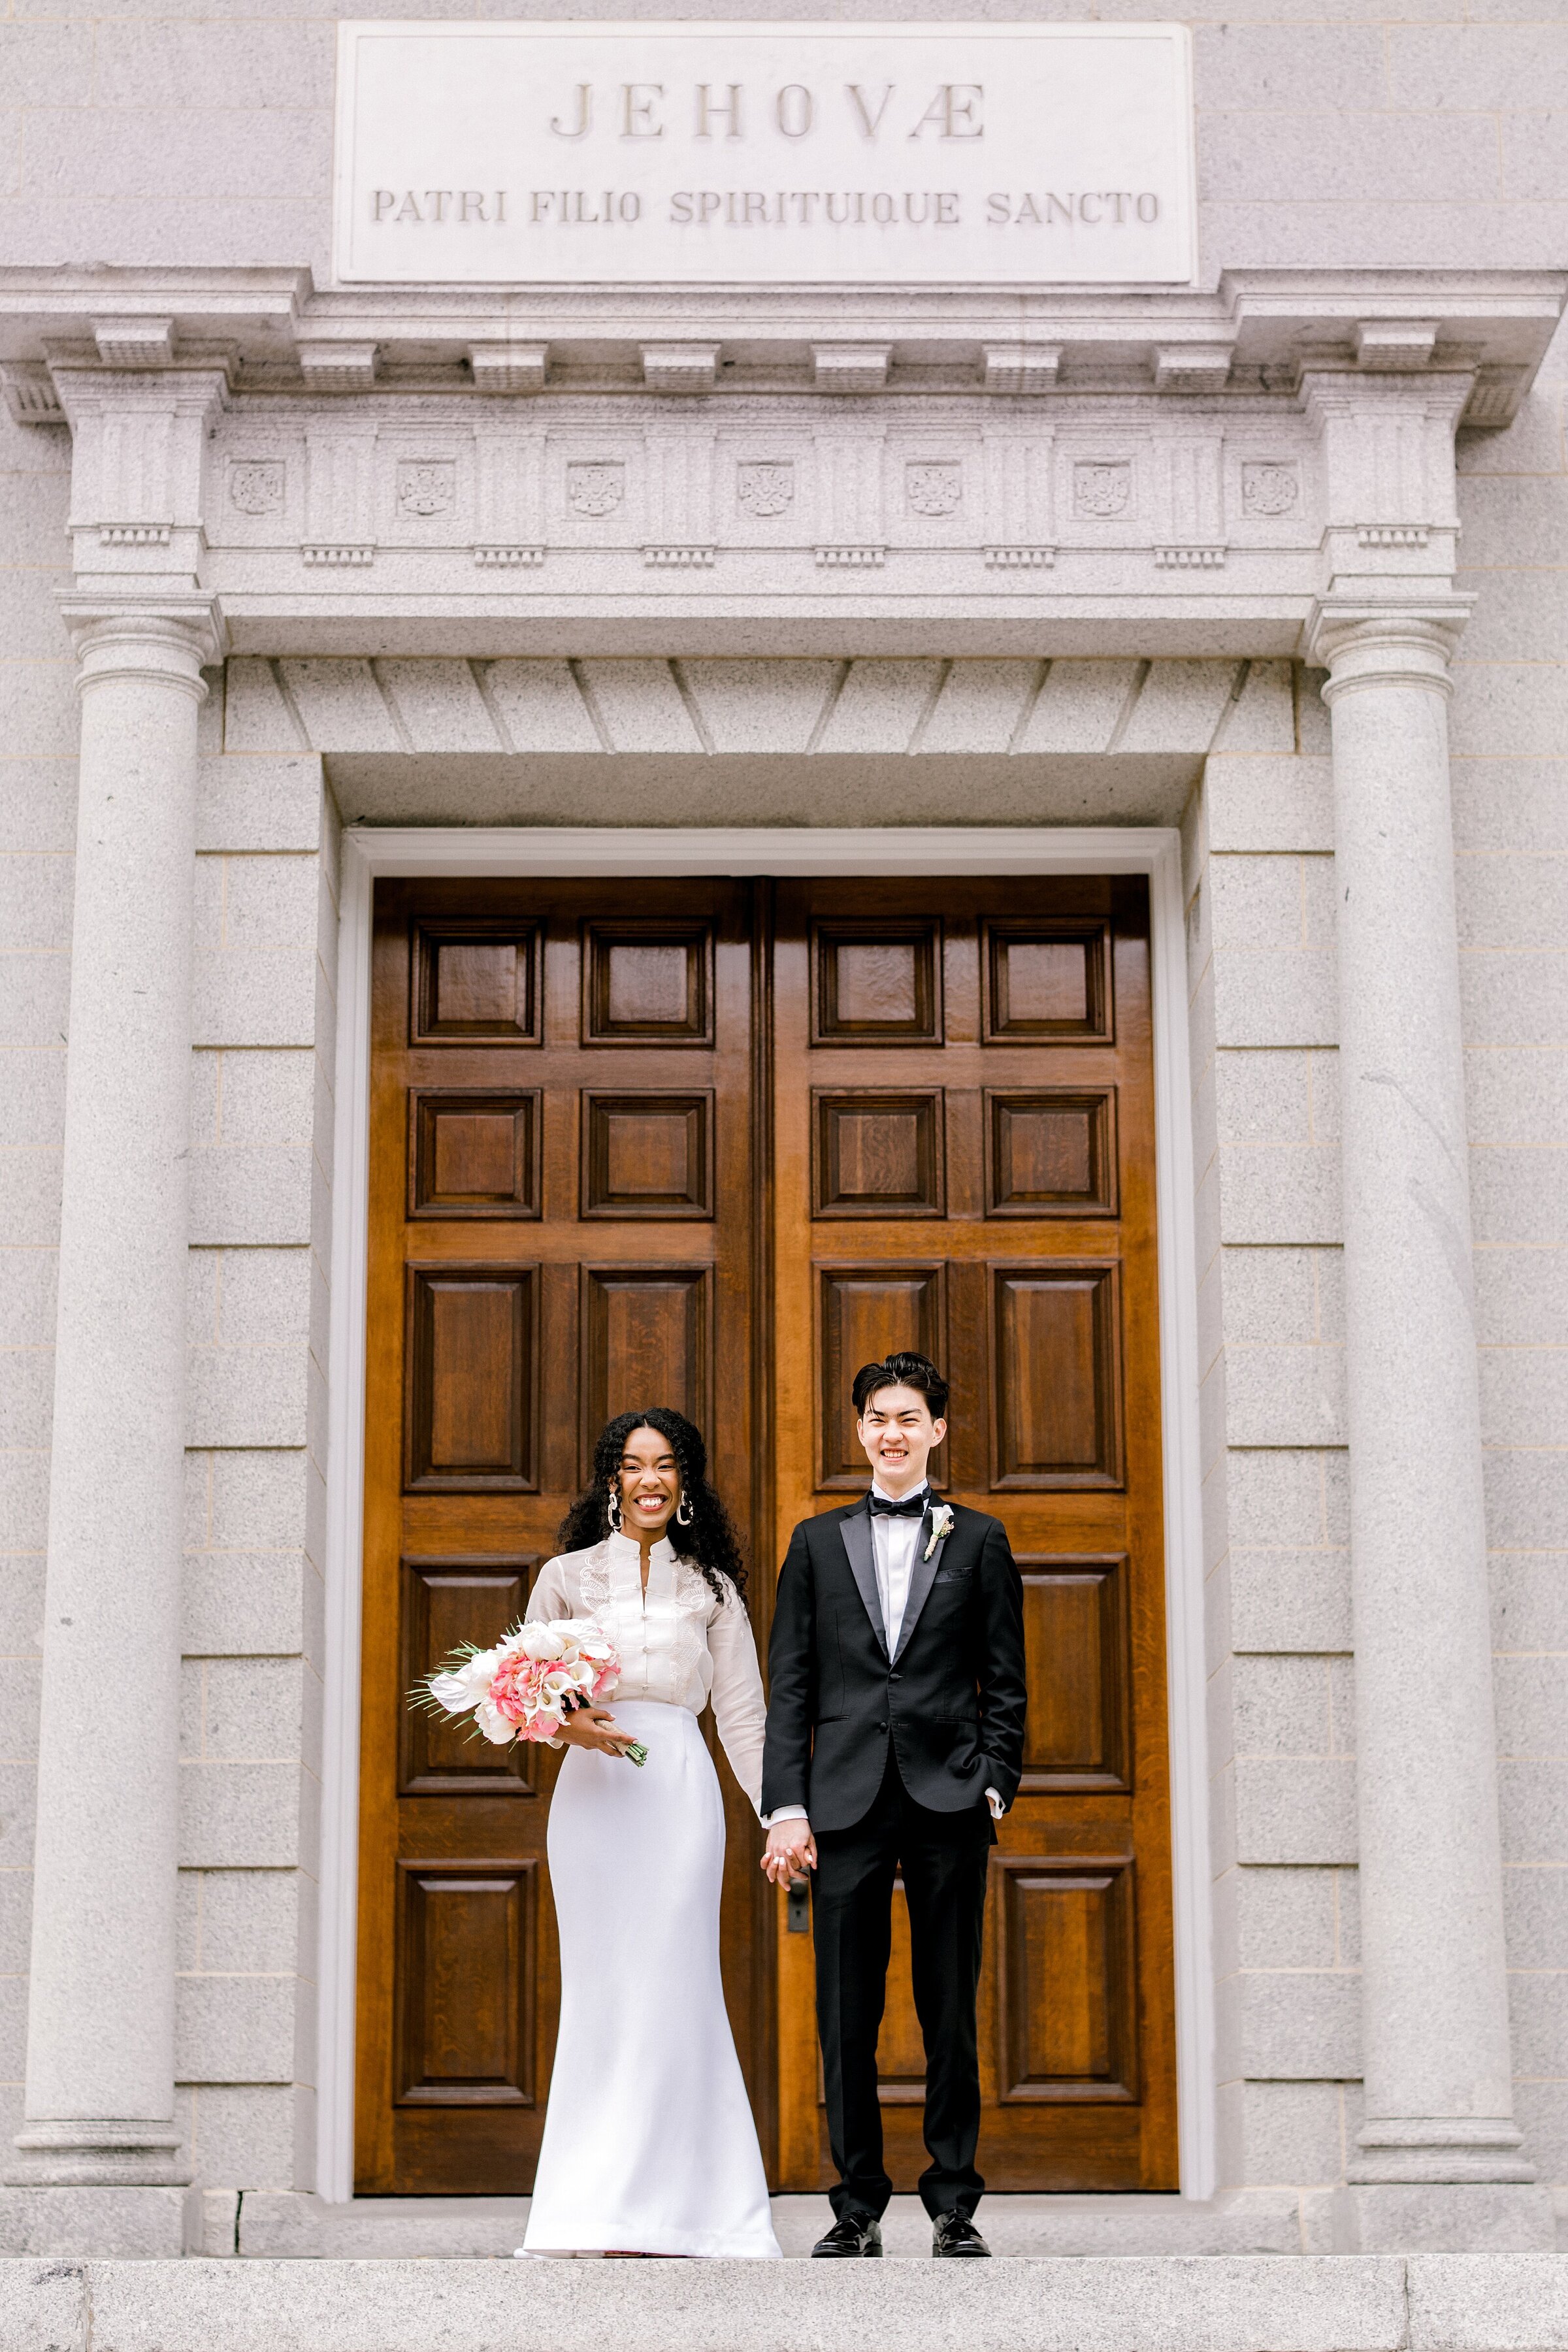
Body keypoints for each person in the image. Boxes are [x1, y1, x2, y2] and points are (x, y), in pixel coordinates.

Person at [760, 1353, 1026, 2259]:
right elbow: (790, 1686)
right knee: (847, 2012)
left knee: (948, 2004)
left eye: (910, 1418)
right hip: (841, 1800)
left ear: (937, 1431)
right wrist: (785, 1806)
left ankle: (954, 2202)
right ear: (859, 1429)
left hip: (949, 1795)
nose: (893, 1433)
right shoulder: (815, 1542)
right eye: (878, 1417)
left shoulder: (980, 1539)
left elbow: (1008, 1678)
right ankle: (857, 2205)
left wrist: (996, 1777)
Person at [517, 1407, 781, 2259]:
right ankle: (592, 2209)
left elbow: (743, 1715)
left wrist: (780, 1814)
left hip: (677, 1786)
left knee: (674, 1982)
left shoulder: (713, 1590)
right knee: (603, 1993)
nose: (652, 1480)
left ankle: (692, 2209)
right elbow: (524, 1698)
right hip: (593, 1799)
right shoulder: (564, 1578)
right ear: (611, 1480)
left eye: (667, 1465)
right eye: (635, 1466)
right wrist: (568, 1728)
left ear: (686, 1482)